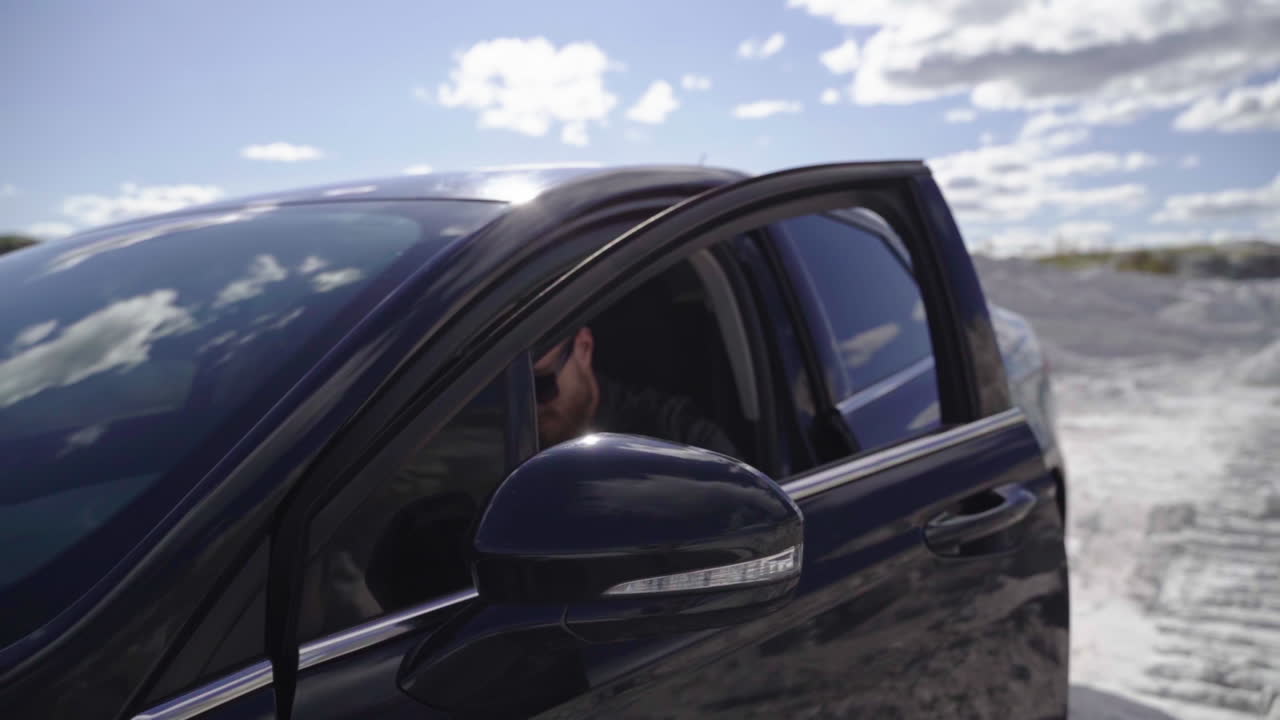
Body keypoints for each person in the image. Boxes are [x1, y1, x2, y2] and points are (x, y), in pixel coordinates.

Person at [533, 326, 738, 457]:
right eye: (503, 390)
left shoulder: (677, 440)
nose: (527, 406)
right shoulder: (506, 444)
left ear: (584, 349)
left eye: (539, 385)